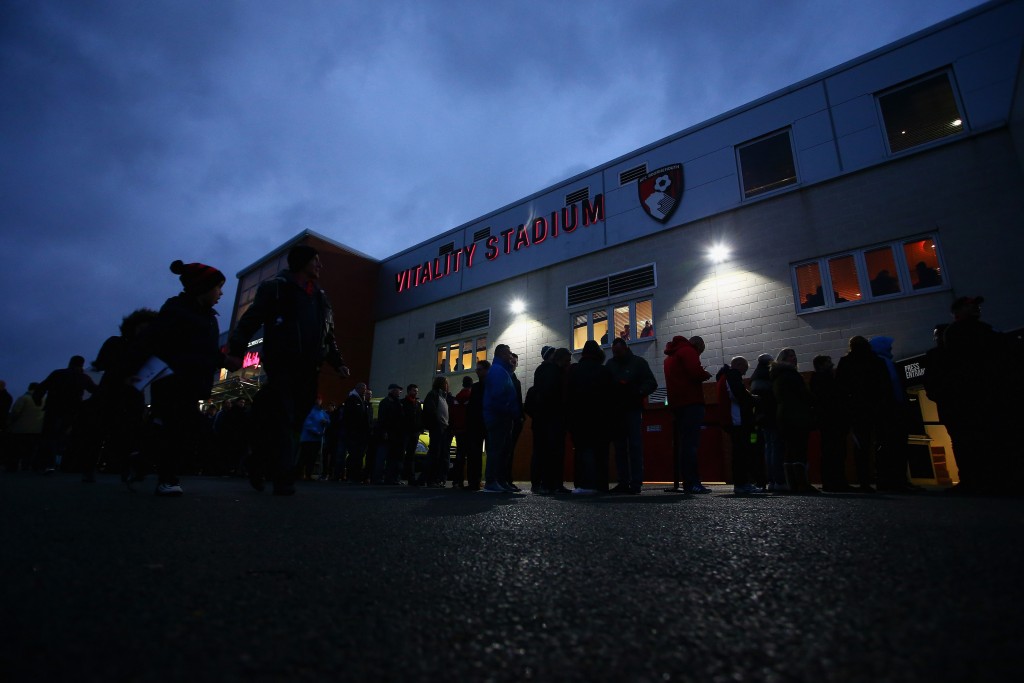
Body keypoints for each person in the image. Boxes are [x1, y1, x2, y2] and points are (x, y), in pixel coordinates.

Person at [227, 244, 350, 496]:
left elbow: (328, 337)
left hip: (309, 368)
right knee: (283, 418)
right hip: (282, 364)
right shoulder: (276, 289)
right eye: (316, 260)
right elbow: (252, 318)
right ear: (302, 262)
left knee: (292, 421)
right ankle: (284, 477)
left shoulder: (320, 298)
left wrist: (338, 363)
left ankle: (257, 462)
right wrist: (237, 349)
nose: (320, 265)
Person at [133, 260, 240, 496]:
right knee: (180, 429)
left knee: (171, 429)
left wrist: (223, 361)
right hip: (173, 381)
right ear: (203, 288)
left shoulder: (209, 318)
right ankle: (168, 478)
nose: (221, 293)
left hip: (193, 382)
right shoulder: (175, 311)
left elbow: (207, 350)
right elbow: (153, 341)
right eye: (218, 287)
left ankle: (140, 463)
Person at [79, 308, 158, 483]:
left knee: (128, 432)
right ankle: (93, 467)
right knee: (101, 430)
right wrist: (123, 378)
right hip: (112, 391)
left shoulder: (146, 349)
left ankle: (121, 467)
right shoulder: (117, 343)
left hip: (130, 393)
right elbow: (103, 364)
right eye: (142, 328)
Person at [835, 336, 888, 493]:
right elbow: (883, 385)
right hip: (876, 408)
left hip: (857, 410)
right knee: (880, 443)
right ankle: (883, 478)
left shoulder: (846, 362)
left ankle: (864, 480)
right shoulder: (877, 361)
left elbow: (840, 388)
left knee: (861, 446)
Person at [606, 338, 657, 494]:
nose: (617, 354)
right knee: (623, 447)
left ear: (625, 349)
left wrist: (638, 392)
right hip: (621, 410)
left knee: (632, 446)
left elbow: (651, 383)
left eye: (618, 352)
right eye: (615, 352)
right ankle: (626, 481)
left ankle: (633, 482)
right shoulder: (620, 364)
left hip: (630, 409)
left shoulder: (634, 363)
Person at [664, 335, 712, 493]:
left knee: (684, 445)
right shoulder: (688, 351)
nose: (698, 356)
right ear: (697, 346)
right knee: (691, 445)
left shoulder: (670, 358)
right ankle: (693, 482)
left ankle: (686, 481)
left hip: (677, 404)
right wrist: (705, 374)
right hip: (691, 402)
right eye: (699, 353)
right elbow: (694, 372)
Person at [869, 336, 918, 492]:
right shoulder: (882, 364)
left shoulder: (886, 363)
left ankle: (897, 478)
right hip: (890, 410)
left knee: (895, 445)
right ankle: (894, 479)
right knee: (893, 445)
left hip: (893, 409)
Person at [34, 355, 98, 473]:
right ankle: (54, 464)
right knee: (60, 436)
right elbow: (96, 391)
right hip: (71, 410)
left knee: (48, 436)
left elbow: (42, 386)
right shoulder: (84, 378)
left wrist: (38, 399)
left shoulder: (58, 374)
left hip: (54, 408)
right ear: (82, 364)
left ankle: (43, 463)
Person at [567, 340, 613, 494]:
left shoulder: (574, 370)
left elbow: (567, 396)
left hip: (579, 418)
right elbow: (611, 397)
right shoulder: (604, 371)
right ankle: (601, 485)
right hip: (602, 419)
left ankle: (584, 484)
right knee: (601, 452)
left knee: (583, 450)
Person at [771, 348, 819, 494]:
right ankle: (802, 483)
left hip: (783, 415)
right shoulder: (791, 374)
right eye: (790, 356)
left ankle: (792, 483)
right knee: (799, 449)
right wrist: (814, 401)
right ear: (784, 359)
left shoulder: (776, 375)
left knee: (790, 450)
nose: (794, 358)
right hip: (796, 414)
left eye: (794, 355)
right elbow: (802, 394)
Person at [716, 356, 763, 495]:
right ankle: (743, 483)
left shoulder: (722, 377)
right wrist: (753, 400)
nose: (744, 374)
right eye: (744, 370)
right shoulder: (732, 376)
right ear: (738, 365)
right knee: (743, 453)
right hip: (738, 420)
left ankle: (742, 483)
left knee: (739, 453)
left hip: (731, 420)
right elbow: (737, 394)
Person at [811, 355, 852, 492]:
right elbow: (834, 399)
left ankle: (831, 481)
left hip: (826, 420)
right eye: (829, 362)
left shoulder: (817, 379)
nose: (832, 364)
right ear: (823, 365)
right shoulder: (826, 379)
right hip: (833, 420)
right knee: (835, 451)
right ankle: (836, 481)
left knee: (830, 451)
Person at [482, 344, 520, 493]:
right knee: (497, 450)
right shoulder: (498, 371)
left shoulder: (501, 371)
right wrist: (510, 411)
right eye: (509, 354)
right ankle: (492, 481)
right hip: (499, 417)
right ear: (503, 354)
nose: (511, 356)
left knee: (502, 451)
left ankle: (499, 481)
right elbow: (499, 396)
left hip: (501, 416)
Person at [749, 353, 777, 490]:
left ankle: (758, 479)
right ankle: (769, 478)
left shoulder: (755, 377)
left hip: (755, 423)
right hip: (767, 419)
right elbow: (768, 399)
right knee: (769, 447)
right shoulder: (767, 375)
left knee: (756, 448)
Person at [5, 383, 45, 472]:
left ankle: (12, 466)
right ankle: (26, 466)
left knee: (16, 449)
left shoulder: (23, 398)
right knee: (30, 449)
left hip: (20, 428)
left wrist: (10, 423)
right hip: (37, 429)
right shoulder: (44, 399)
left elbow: (15, 412)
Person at [422, 376, 451, 487]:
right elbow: (431, 411)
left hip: (443, 428)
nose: (447, 385)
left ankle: (433, 478)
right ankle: (430, 479)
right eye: (446, 383)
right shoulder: (433, 394)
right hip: (437, 428)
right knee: (435, 453)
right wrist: (437, 424)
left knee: (439, 454)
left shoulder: (442, 396)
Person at [465, 362, 489, 491]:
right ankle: (475, 481)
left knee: (477, 454)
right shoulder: (478, 387)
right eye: (476, 369)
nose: (476, 371)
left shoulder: (480, 387)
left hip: (481, 423)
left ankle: (475, 481)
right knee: (476, 454)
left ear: (486, 370)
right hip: (479, 424)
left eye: (479, 369)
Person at [343, 383, 372, 483]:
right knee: (354, 455)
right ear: (357, 389)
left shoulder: (362, 401)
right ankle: (351, 476)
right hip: (354, 433)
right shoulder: (352, 400)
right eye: (363, 389)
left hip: (362, 434)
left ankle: (356, 475)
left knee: (359, 455)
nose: (365, 391)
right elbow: (349, 417)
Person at [504, 352, 525, 492]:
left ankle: (507, 479)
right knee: (505, 450)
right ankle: (504, 479)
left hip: (515, 419)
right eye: (512, 361)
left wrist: (520, 416)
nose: (514, 363)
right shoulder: (506, 378)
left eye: (515, 362)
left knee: (509, 451)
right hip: (506, 418)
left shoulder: (515, 380)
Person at [378, 383, 405, 484]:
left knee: (394, 457)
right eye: (398, 390)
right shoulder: (386, 402)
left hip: (397, 434)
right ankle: (382, 478)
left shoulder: (397, 402)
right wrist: (384, 431)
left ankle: (393, 478)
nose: (400, 392)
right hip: (390, 433)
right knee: (386, 457)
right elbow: (383, 418)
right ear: (392, 390)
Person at [450, 376, 474, 489]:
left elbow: (454, 413)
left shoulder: (458, 396)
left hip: (458, 429)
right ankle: (470, 481)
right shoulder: (470, 396)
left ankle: (457, 481)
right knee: (470, 455)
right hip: (468, 429)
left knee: (460, 455)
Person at [297, 398, 330, 480]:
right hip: (308, 438)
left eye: (320, 400)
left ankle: (308, 474)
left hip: (317, 439)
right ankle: (299, 474)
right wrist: (316, 431)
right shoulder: (309, 411)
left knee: (312, 457)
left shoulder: (322, 412)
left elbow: (328, 420)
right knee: (304, 456)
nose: (319, 402)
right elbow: (307, 424)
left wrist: (326, 422)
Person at [401, 383, 423, 485]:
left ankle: (411, 478)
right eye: (414, 390)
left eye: (416, 391)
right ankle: (400, 476)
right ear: (409, 391)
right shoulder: (403, 403)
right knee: (401, 454)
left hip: (414, 432)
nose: (416, 392)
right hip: (406, 432)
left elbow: (420, 416)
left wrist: (420, 430)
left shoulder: (417, 403)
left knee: (411, 456)